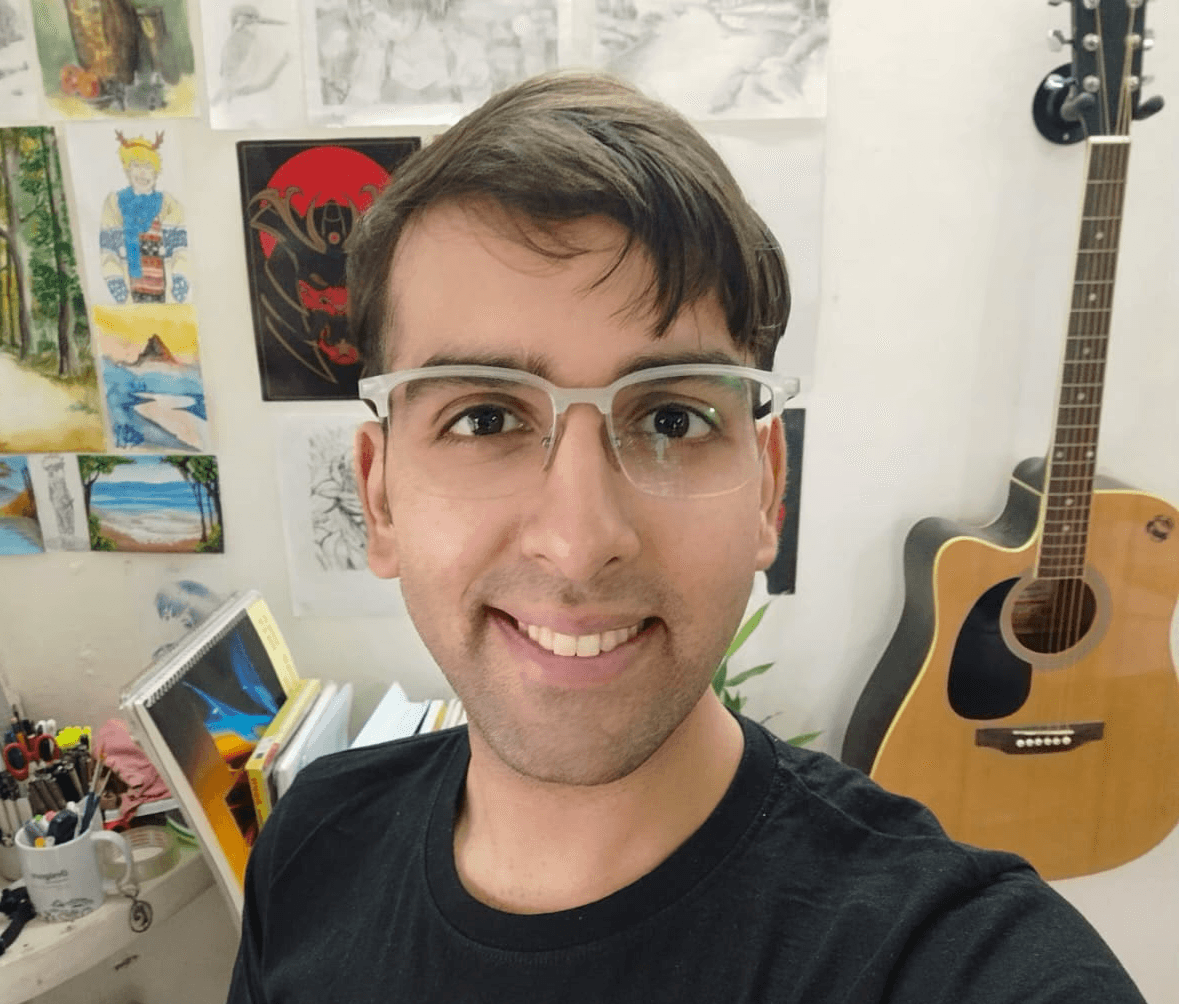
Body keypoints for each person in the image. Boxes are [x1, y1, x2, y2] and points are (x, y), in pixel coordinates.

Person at [227, 71, 1144, 1003]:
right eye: (484, 419)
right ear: (379, 497)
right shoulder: (310, 845)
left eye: (670, 419)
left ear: (768, 490)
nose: (580, 542)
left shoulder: (962, 964)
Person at [100, 132, 189, 304]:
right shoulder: (114, 204)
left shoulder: (169, 205)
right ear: (127, 170)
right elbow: (108, 251)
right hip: (129, 298)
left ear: (156, 172)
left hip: (165, 296)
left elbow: (180, 249)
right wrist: (116, 284)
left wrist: (180, 280)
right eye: (136, 166)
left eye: (148, 167)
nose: (142, 173)